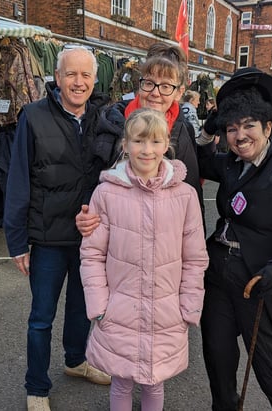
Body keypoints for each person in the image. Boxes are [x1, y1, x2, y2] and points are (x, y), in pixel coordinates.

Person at [196, 67, 272, 411]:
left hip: (259, 281)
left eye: (249, 125)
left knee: (270, 371)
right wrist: (210, 126)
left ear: (267, 127)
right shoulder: (232, 163)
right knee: (218, 359)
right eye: (232, 128)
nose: (240, 136)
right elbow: (200, 158)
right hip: (218, 275)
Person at [3, 46, 117, 411]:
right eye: (71, 74)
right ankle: (36, 386)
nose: (78, 82)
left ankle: (75, 361)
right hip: (47, 237)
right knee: (41, 317)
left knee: (84, 308)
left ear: (95, 79)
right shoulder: (33, 117)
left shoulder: (104, 117)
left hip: (88, 237)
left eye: (85, 75)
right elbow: (18, 180)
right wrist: (17, 241)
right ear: (57, 77)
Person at [79, 108, 208, 410]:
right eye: (138, 141)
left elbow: (195, 258)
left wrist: (189, 305)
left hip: (167, 310)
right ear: (125, 145)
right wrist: (98, 305)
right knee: (121, 381)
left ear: (166, 145)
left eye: (154, 142)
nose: (146, 150)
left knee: (155, 380)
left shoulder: (185, 195)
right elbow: (92, 254)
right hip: (119, 309)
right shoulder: (106, 193)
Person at [76, 51, 203, 234]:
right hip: (118, 236)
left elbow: (193, 194)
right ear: (139, 84)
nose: (155, 93)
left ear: (178, 93)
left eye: (166, 86)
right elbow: (91, 178)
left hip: (165, 240)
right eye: (149, 83)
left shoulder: (183, 131)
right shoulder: (111, 122)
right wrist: (85, 210)